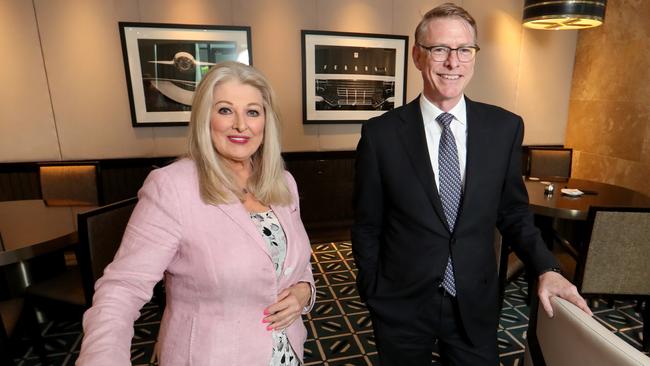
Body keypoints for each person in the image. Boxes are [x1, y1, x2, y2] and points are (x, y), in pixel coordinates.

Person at [351, 3, 592, 365]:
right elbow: (367, 224)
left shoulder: (504, 128)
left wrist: (547, 267)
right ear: (418, 56)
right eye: (440, 50)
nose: (453, 62)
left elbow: (513, 212)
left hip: (475, 300)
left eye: (464, 50)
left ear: (474, 56)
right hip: (400, 302)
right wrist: (373, 289)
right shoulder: (380, 134)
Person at [77, 61, 315, 365]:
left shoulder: (282, 183)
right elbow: (121, 289)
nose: (241, 124)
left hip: (285, 352)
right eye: (225, 110)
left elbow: (296, 262)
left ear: (266, 122)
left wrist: (304, 292)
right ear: (205, 117)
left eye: (253, 112)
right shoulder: (172, 187)